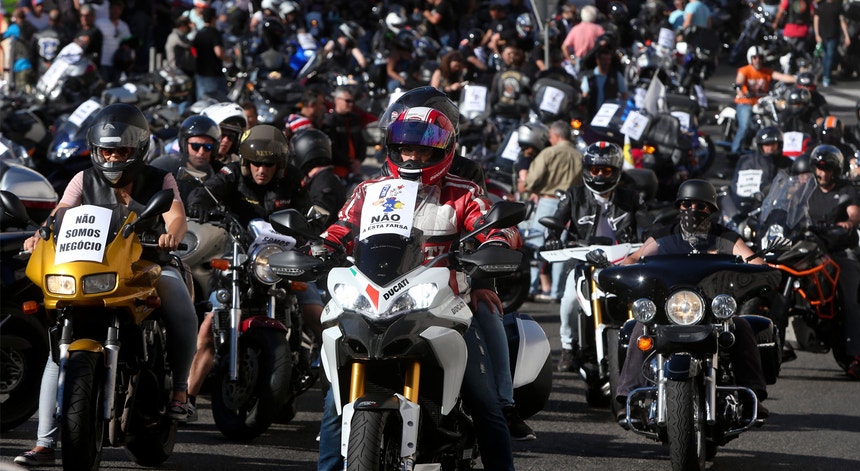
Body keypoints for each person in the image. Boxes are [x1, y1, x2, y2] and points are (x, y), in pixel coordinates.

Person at [316, 96, 523, 471]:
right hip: (375, 300)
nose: (412, 158)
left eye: (423, 151)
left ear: (443, 150)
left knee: (485, 403)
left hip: (444, 304)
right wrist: (322, 245)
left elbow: (496, 227)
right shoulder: (371, 190)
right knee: (335, 400)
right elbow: (342, 227)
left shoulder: (463, 191)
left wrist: (493, 243)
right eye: (406, 150)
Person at [14, 103, 198, 466]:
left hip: (145, 264)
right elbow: (60, 214)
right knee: (59, 349)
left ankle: (180, 389)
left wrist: (172, 236)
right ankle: (44, 443)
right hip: (91, 270)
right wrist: (40, 236)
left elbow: (175, 215)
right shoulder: (82, 179)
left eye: (122, 151)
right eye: (107, 150)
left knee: (180, 301)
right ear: (96, 151)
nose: (113, 157)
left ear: (139, 149)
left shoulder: (159, 179)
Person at [183, 124, 327, 421]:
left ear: (280, 165)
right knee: (209, 325)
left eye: (269, 164)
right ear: (247, 163)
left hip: (284, 257)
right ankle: (186, 399)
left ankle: (333, 398)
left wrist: (316, 226)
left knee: (321, 318)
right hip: (239, 253)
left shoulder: (293, 180)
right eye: (256, 164)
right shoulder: (232, 174)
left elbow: (310, 210)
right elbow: (207, 190)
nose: (262, 170)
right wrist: (199, 204)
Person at [615, 180, 771, 424]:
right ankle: (629, 399)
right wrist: (627, 272)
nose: (693, 210)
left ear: (711, 209)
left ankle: (753, 397)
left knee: (741, 327)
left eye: (701, 205)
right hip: (670, 309)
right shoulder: (664, 234)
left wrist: (759, 271)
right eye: (687, 204)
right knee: (638, 328)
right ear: (680, 207)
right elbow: (635, 258)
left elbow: (753, 261)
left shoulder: (724, 237)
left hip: (712, 311)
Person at [543, 141, 648, 372]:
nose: (600, 175)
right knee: (569, 300)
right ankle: (568, 347)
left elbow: (647, 225)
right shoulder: (573, 195)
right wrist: (552, 235)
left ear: (617, 171)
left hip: (622, 261)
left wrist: (651, 238)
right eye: (595, 170)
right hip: (583, 259)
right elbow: (556, 222)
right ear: (587, 170)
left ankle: (643, 348)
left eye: (607, 170)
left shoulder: (632, 198)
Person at [806, 145, 860, 379]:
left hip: (840, 250)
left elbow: (854, 215)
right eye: (819, 167)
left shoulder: (847, 189)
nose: (822, 172)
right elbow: (787, 207)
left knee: (851, 297)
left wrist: (847, 224)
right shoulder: (806, 189)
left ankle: (857, 354)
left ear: (835, 170)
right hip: (811, 250)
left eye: (827, 168)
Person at [524, 121, 584, 302]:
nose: (549, 138)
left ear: (556, 135)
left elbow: (532, 179)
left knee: (535, 245)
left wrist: (531, 188)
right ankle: (558, 291)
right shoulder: (579, 156)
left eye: (550, 135)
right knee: (562, 249)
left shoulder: (548, 153)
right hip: (570, 204)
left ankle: (532, 287)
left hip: (548, 202)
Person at [731, 45, 796, 156]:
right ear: (750, 58)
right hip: (745, 103)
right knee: (745, 125)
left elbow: (782, 77)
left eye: (760, 57)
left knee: (775, 121)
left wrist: (799, 78)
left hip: (761, 103)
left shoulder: (767, 72)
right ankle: (735, 151)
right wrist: (740, 90)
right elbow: (739, 81)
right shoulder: (744, 70)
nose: (758, 60)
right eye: (755, 57)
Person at [149, 114, 222, 202]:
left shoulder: (219, 174)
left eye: (208, 147)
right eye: (195, 146)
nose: (201, 152)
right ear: (184, 145)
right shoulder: (167, 169)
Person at [319, 86, 367, 182]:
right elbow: (331, 148)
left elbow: (362, 142)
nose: (351, 104)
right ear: (337, 100)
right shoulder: (329, 122)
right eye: (347, 101)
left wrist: (358, 160)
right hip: (337, 171)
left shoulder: (355, 119)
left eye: (352, 101)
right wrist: (350, 163)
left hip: (354, 169)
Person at [581, 42, 628, 119]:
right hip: (593, 115)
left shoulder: (616, 76)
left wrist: (620, 112)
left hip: (610, 116)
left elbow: (624, 95)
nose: (606, 62)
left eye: (608, 60)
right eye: (603, 60)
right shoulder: (590, 77)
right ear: (598, 60)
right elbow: (584, 96)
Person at [191, 6, 228, 101]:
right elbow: (219, 52)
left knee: (203, 105)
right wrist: (229, 59)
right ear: (213, 19)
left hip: (200, 74)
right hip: (213, 75)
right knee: (217, 105)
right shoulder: (214, 33)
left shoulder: (199, 33)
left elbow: (193, 51)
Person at [813, 0, 851, 88]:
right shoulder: (820, 6)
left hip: (832, 36)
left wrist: (846, 35)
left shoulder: (837, 6)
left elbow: (842, 22)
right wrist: (817, 34)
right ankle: (825, 76)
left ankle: (825, 76)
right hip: (823, 36)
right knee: (826, 57)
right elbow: (816, 20)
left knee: (829, 57)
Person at [94, 0, 131, 84]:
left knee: (115, 87)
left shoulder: (123, 26)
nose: (116, 12)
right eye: (114, 9)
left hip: (117, 62)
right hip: (103, 62)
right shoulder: (100, 23)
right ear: (109, 10)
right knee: (104, 85)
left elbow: (129, 42)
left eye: (118, 9)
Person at [561, 5, 604, 74]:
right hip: (594, 61)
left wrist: (570, 60)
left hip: (579, 60)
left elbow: (564, 46)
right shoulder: (598, 29)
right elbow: (604, 43)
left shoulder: (576, 29)